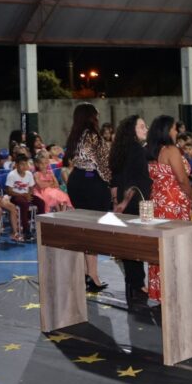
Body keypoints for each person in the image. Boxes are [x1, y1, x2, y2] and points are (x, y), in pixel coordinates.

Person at [64, 103, 113, 292]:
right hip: (93, 183)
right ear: (90, 116)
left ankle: (85, 272)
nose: (98, 117)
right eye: (96, 114)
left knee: (85, 228)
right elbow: (102, 163)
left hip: (77, 181)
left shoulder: (74, 136)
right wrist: (111, 182)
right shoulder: (93, 136)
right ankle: (93, 275)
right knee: (93, 230)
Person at [147, 115, 192, 302]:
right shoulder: (171, 150)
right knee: (176, 246)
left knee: (160, 247)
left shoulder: (152, 151)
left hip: (158, 201)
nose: (177, 131)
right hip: (173, 203)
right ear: (167, 130)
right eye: (174, 128)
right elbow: (182, 179)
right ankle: (176, 288)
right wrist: (191, 196)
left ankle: (161, 291)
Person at [108, 115, 153, 304]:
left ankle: (133, 282)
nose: (146, 129)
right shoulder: (136, 150)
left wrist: (116, 202)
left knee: (128, 244)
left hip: (125, 202)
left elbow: (116, 180)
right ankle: (137, 284)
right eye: (141, 126)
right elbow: (135, 181)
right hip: (134, 202)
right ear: (132, 130)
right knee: (135, 243)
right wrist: (124, 203)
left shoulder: (122, 149)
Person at [6, 154, 37, 237]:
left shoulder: (29, 174)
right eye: (22, 164)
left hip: (26, 195)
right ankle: (26, 230)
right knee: (24, 204)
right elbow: (9, 191)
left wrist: (29, 195)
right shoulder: (12, 175)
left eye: (26, 164)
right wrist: (23, 195)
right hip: (15, 196)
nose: (24, 166)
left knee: (41, 202)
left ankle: (39, 226)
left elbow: (31, 187)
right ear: (16, 165)